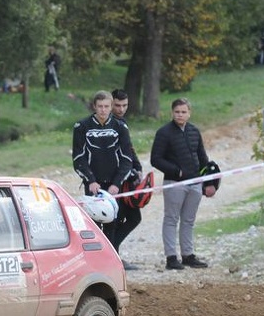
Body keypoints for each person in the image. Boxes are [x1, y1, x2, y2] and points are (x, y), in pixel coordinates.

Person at [150, 98, 215, 270]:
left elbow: (203, 158)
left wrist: (208, 181)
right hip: (174, 184)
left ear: (189, 113)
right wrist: (176, 171)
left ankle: (188, 255)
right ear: (172, 113)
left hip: (195, 184)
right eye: (177, 112)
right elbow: (155, 159)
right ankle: (171, 258)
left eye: (183, 112)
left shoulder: (194, 131)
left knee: (188, 220)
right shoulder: (163, 133)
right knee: (171, 219)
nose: (180, 115)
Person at [72, 90, 135, 251]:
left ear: (111, 106)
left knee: (113, 223)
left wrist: (117, 183)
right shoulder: (82, 126)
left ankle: (111, 258)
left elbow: (127, 158)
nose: (103, 110)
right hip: (93, 185)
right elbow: (79, 158)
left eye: (106, 106)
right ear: (94, 106)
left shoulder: (120, 127)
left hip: (113, 185)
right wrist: (90, 180)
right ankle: (93, 259)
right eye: (100, 106)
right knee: (92, 224)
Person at [110, 89, 143, 270]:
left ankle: (113, 252)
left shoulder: (122, 122)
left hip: (126, 177)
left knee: (133, 217)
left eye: (125, 105)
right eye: (118, 105)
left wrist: (137, 167)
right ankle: (113, 256)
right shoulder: (109, 124)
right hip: (114, 180)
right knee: (117, 219)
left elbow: (128, 149)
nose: (121, 109)